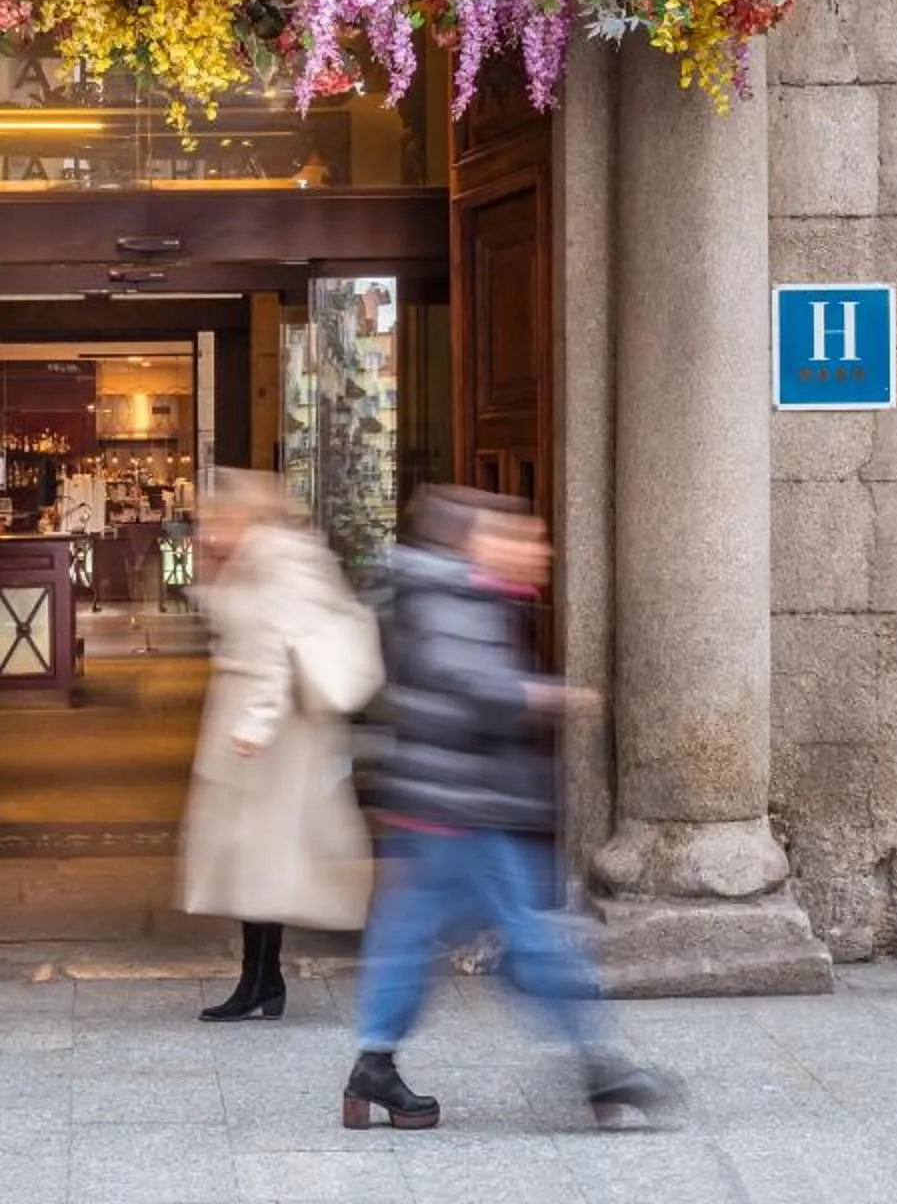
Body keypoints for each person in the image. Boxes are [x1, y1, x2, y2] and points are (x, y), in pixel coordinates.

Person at [342, 489, 673, 1136]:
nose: (538, 549)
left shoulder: (451, 595)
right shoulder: (452, 599)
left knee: (409, 940)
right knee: (530, 940)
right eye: (520, 537)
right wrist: (547, 696)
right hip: (461, 806)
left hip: (438, 801)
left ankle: (372, 1067)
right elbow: (468, 682)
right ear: (476, 543)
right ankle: (599, 1068)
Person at [180, 469, 377, 1023]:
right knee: (251, 855)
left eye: (216, 517)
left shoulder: (278, 558)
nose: (208, 527)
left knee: (263, 853)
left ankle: (259, 981)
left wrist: (256, 727)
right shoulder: (249, 555)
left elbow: (274, 648)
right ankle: (262, 979)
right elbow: (227, 620)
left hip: (273, 731)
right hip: (248, 718)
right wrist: (214, 566)